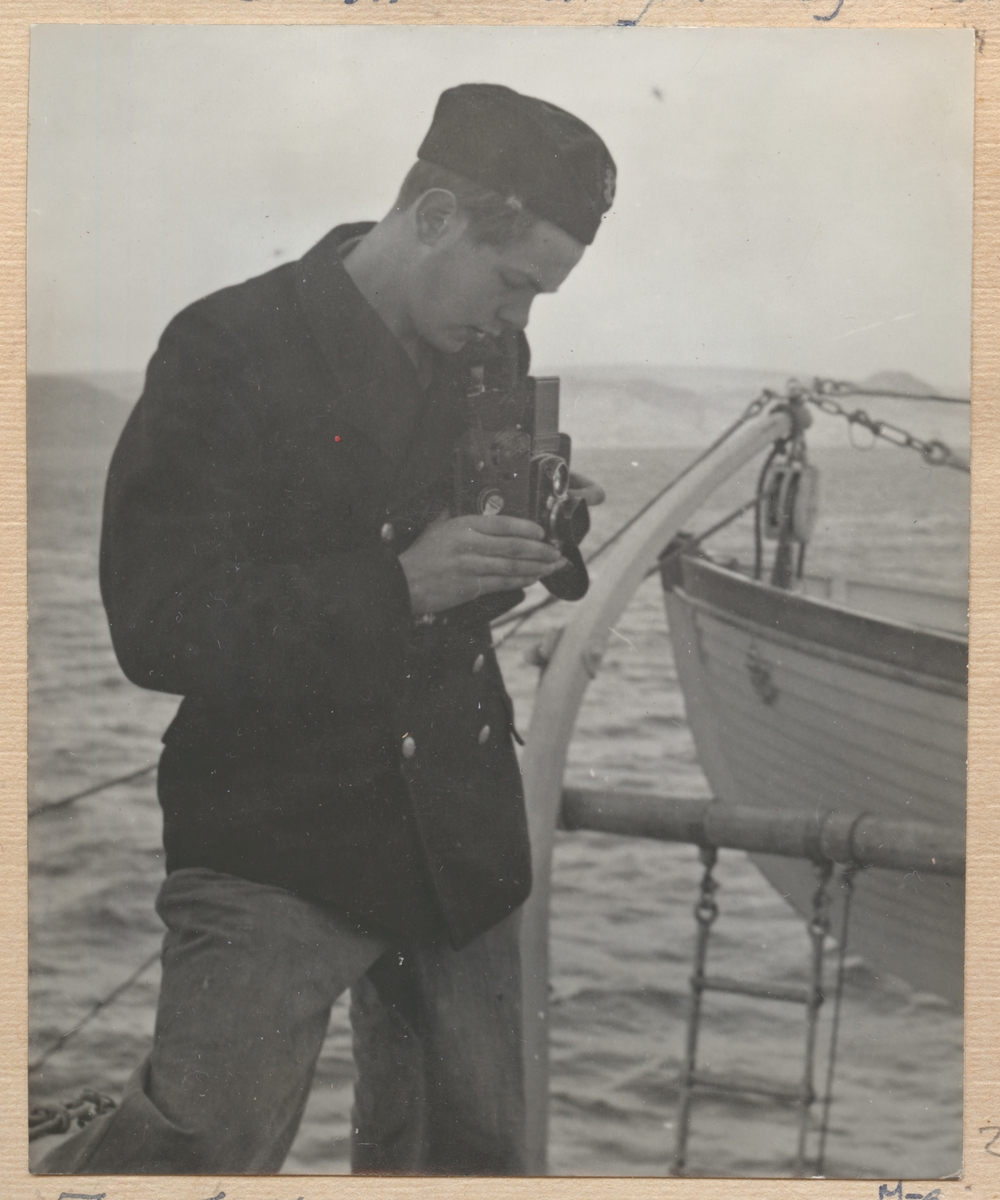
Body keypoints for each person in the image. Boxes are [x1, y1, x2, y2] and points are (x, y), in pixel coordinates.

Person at [38, 82, 615, 1177]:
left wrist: (529, 534)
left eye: (538, 297)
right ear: (436, 216)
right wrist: (398, 586)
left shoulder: (484, 355)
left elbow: (462, 582)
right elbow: (156, 623)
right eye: (512, 282)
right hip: (275, 832)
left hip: (454, 832)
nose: (518, 320)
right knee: (200, 1150)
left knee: (468, 1160)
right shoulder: (223, 345)